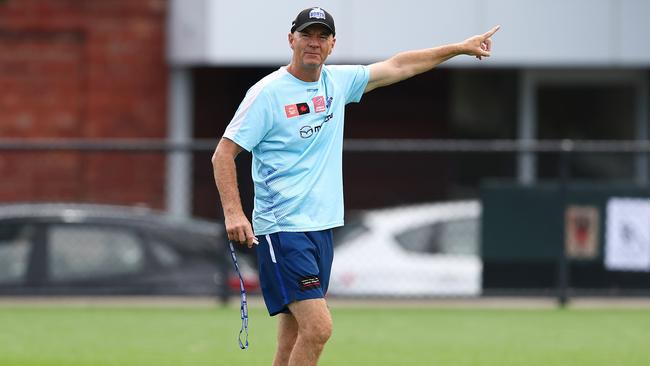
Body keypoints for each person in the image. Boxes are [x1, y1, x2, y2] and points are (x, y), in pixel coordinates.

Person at [212, 6, 499, 366]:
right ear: (291, 40)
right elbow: (223, 154)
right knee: (318, 328)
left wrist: (459, 47)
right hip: (283, 230)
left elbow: (400, 65)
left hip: (321, 230)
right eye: (306, 35)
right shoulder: (267, 94)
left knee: (292, 338)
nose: (313, 43)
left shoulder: (338, 82)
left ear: (332, 44)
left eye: (321, 36)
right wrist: (234, 213)